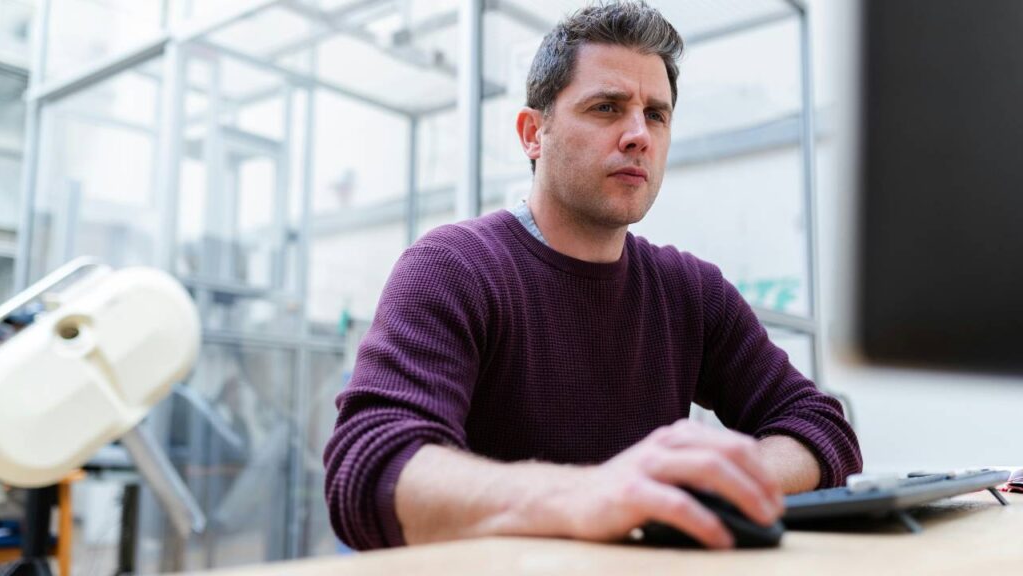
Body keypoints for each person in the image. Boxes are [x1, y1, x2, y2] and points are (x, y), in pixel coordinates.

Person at [323, 0, 862, 552]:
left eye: (656, 114)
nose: (639, 136)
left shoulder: (691, 292)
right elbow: (369, 469)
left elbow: (820, 426)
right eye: (607, 107)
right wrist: (591, 494)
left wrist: (711, 481)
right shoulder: (455, 268)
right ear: (533, 133)